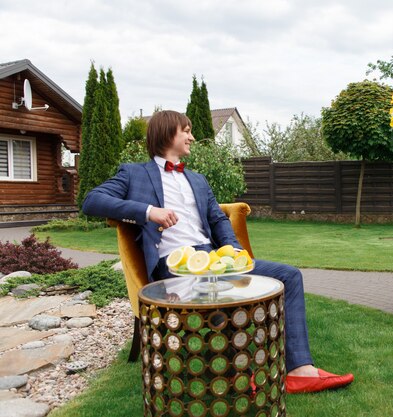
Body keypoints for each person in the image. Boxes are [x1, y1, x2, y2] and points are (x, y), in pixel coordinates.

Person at [83, 110, 354, 393]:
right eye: (185, 130)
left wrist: (235, 252)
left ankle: (300, 370)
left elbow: (217, 219)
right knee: (222, 296)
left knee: (289, 275)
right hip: (175, 266)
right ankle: (239, 373)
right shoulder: (134, 173)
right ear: (166, 133)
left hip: (213, 259)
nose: (192, 136)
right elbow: (93, 200)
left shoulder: (198, 180)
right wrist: (149, 212)